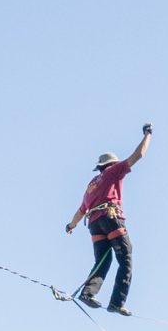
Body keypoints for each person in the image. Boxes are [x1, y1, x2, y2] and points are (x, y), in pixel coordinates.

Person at [64, 123, 151, 313]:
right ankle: (117, 302)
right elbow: (138, 155)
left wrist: (71, 225)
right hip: (111, 218)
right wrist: (147, 135)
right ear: (112, 165)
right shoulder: (113, 172)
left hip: (94, 224)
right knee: (125, 256)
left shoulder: (91, 185)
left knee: (103, 260)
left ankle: (87, 293)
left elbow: (81, 210)